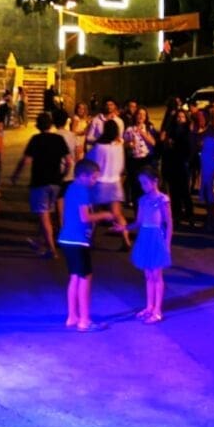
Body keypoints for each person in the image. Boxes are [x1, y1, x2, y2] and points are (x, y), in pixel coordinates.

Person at [59, 159, 118, 332]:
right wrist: (105, 215)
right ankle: (84, 321)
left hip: (67, 239)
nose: (95, 181)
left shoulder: (71, 188)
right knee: (85, 278)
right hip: (78, 240)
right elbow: (85, 217)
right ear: (83, 176)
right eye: (93, 177)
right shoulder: (82, 191)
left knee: (75, 277)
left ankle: (72, 316)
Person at [12, 111, 72, 258]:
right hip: (55, 182)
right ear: (50, 125)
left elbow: (26, 160)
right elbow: (69, 161)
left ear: (38, 125)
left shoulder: (36, 140)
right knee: (46, 214)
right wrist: (63, 175)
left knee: (44, 215)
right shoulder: (58, 139)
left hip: (40, 182)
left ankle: (52, 250)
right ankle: (41, 241)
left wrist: (16, 175)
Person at [119, 167, 173, 323]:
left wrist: (167, 244)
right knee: (148, 275)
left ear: (155, 181)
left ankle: (157, 310)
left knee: (156, 275)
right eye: (141, 183)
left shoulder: (163, 199)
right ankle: (149, 306)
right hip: (144, 237)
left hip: (156, 237)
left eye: (145, 183)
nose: (143, 186)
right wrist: (124, 227)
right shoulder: (142, 200)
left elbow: (169, 223)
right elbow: (138, 222)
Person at [87, 118, 130, 249]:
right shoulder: (119, 147)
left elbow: (91, 162)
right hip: (115, 183)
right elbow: (121, 166)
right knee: (118, 214)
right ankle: (126, 240)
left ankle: (90, 240)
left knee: (94, 213)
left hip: (100, 184)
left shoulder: (99, 147)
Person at [159, 108, 194, 226]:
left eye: (182, 117)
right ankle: (177, 214)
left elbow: (189, 148)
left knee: (184, 191)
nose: (180, 119)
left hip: (183, 163)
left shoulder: (188, 131)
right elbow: (164, 148)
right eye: (178, 117)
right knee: (174, 191)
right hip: (172, 162)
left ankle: (189, 214)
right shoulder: (171, 130)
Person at [123, 107, 158, 210]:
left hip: (146, 161)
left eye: (143, 114)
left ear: (146, 117)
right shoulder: (129, 129)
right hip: (134, 160)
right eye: (139, 114)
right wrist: (129, 144)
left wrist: (143, 133)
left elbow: (153, 143)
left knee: (147, 187)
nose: (141, 116)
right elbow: (123, 144)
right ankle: (137, 212)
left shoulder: (149, 128)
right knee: (135, 187)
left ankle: (148, 211)